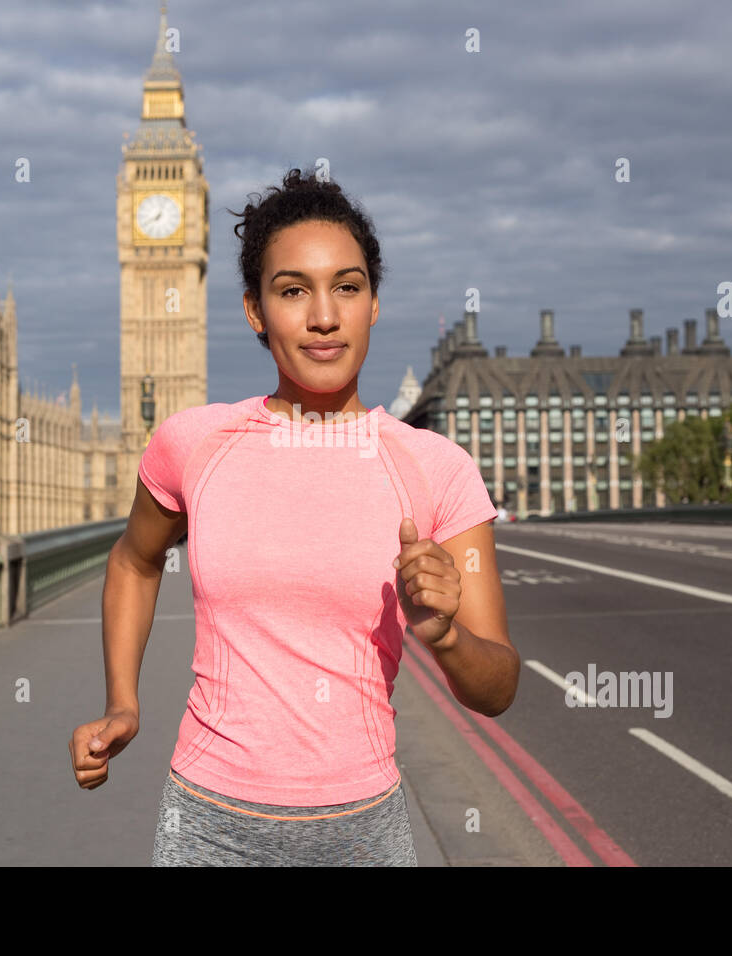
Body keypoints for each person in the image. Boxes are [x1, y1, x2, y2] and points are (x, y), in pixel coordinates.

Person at [69, 168, 518, 866]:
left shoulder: (437, 469)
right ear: (255, 311)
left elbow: (498, 689)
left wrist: (446, 635)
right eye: (292, 291)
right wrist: (123, 702)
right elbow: (134, 559)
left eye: (347, 286)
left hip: (362, 831)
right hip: (210, 822)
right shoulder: (194, 444)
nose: (323, 316)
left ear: (373, 304)